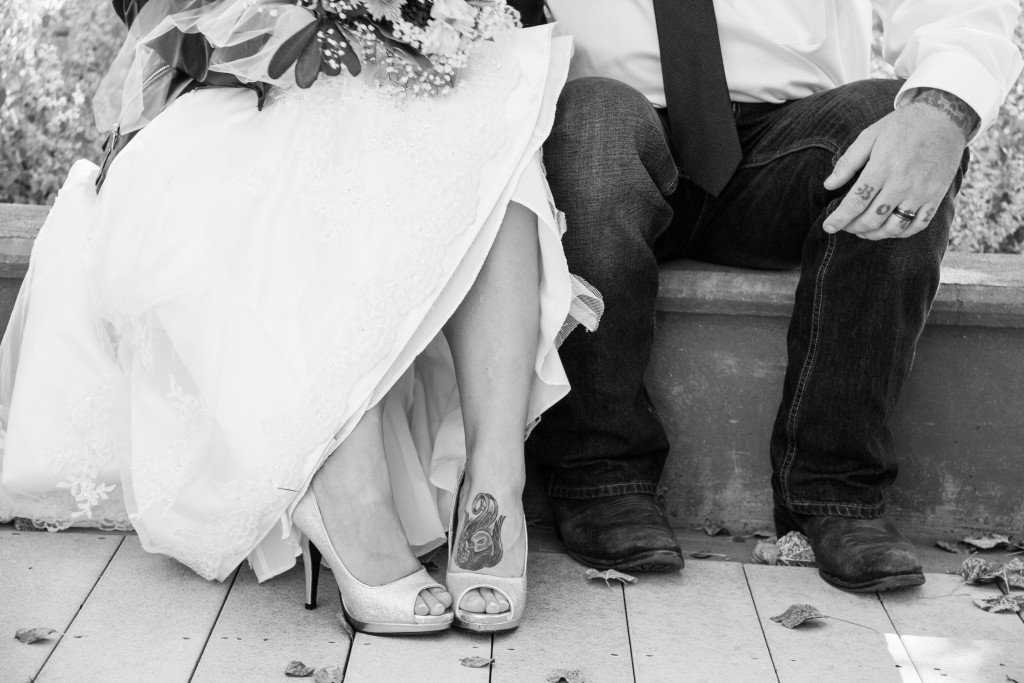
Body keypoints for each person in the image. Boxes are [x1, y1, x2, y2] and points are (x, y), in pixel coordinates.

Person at [0, 0, 602, 633]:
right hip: (225, 81)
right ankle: (349, 489)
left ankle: (494, 480)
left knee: (489, 128)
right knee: (295, 145)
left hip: (400, 66)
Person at [521, 0, 1023, 590]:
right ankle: (598, 478)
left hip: (792, 146)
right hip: (611, 150)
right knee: (591, 115)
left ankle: (835, 493)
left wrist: (944, 110)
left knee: (890, 118)